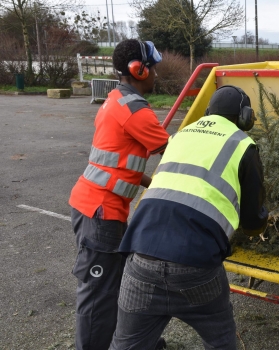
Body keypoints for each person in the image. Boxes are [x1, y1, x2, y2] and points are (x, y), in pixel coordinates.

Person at [109, 85, 269, 350]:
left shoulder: (179, 137)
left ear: (208, 111)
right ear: (245, 117)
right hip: (196, 266)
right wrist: (259, 226)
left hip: (140, 257)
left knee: (127, 345)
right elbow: (252, 220)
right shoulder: (243, 145)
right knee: (220, 340)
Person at [69, 39, 170, 350]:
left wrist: (149, 181)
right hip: (102, 212)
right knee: (99, 293)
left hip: (93, 206)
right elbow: (175, 151)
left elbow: (116, 159)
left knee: (114, 286)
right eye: (152, 69)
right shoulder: (136, 110)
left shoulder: (114, 100)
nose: (156, 76)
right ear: (138, 70)